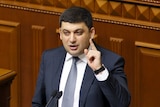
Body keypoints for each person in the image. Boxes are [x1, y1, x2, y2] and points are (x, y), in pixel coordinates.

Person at [32, 6, 131, 107]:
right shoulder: (49, 58)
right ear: (60, 34)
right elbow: (38, 103)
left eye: (78, 33)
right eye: (66, 33)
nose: (72, 39)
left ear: (91, 33)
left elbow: (122, 103)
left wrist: (99, 70)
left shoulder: (111, 62)